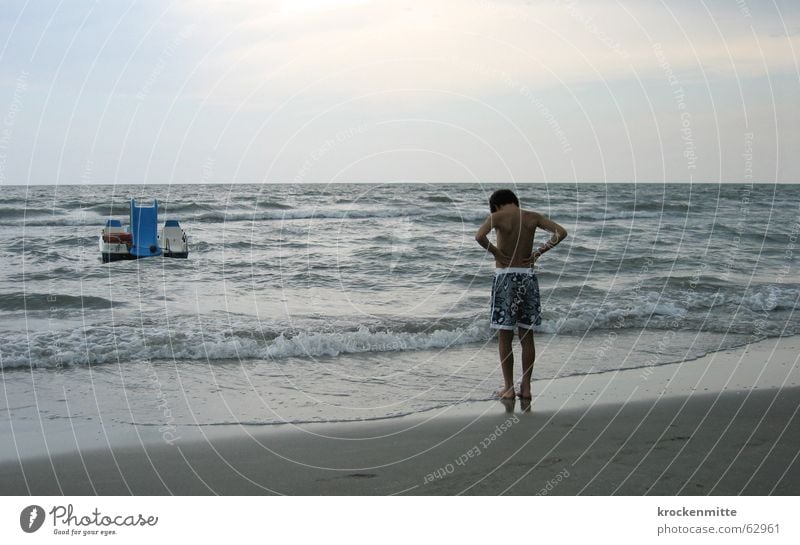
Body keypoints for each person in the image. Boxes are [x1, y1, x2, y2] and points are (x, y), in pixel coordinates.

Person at [475, 189, 568, 401]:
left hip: (505, 277)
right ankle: (526, 388)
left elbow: (479, 236)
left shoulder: (497, 217)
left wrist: (496, 252)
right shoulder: (532, 217)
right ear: (514, 201)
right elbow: (561, 232)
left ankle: (508, 387)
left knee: (505, 335)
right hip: (527, 277)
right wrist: (537, 253)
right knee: (527, 335)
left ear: (496, 205)